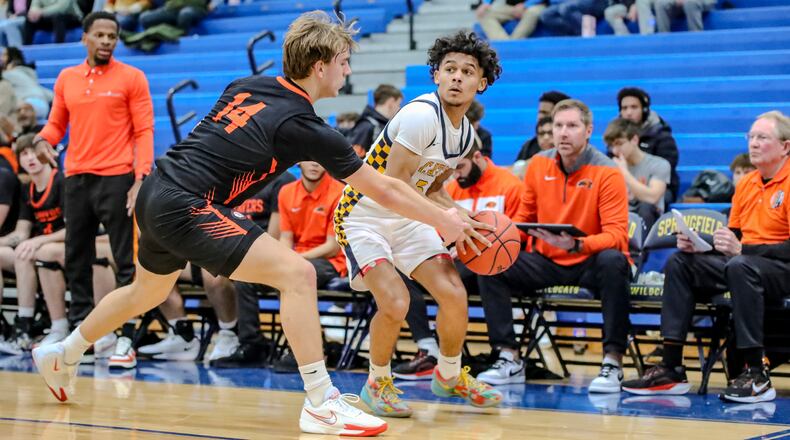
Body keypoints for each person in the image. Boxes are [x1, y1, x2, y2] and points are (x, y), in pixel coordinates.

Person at [32, 11, 474, 437]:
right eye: (343, 62)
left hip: (156, 190)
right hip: (187, 203)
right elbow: (387, 190)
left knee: (147, 292)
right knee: (297, 273)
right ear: (320, 68)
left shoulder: (247, 84)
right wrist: (444, 220)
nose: (347, 71)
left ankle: (63, 352)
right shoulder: (305, 126)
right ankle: (321, 402)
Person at [334, 30, 504, 418]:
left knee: (454, 294)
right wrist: (444, 221)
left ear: (482, 82)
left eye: (468, 71)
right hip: (366, 216)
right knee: (396, 301)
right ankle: (377, 384)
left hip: (408, 216)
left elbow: (434, 187)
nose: (458, 77)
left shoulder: (466, 136)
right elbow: (392, 187)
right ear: (436, 76)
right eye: (450, 69)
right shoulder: (419, 115)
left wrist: (462, 216)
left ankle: (448, 375)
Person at [623, 111, 790, 403]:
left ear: (785, 146)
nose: (753, 143)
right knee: (681, 262)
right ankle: (672, 367)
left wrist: (742, 250)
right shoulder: (748, 183)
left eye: (762, 138)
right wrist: (701, 244)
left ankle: (756, 374)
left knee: (740, 264)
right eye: (750, 137)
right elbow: (735, 237)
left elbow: (751, 249)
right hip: (746, 264)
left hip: (781, 268)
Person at [476, 99, 632, 392]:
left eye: (572, 126)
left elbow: (617, 235)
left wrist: (577, 244)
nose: (563, 133)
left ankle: (613, 362)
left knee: (614, 261)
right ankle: (508, 357)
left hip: (589, 260)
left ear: (588, 131)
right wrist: (503, 238)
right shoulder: (538, 164)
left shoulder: (607, 171)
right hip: (546, 260)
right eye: (558, 126)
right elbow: (525, 216)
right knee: (492, 262)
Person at [33, 12, 154, 364]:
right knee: (76, 260)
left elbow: (144, 131)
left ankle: (126, 338)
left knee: (125, 262)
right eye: (99, 35)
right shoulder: (67, 77)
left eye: (112, 36)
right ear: (85, 37)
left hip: (117, 179)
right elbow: (56, 125)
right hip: (76, 179)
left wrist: (140, 178)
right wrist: (43, 140)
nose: (106, 41)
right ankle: (78, 338)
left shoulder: (132, 77)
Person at [393, 142, 526, 380]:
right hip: (458, 262)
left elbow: (518, 236)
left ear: (477, 157)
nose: (456, 174)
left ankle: (506, 354)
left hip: (494, 263)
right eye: (452, 169)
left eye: (461, 167)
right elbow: (437, 229)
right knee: (404, 272)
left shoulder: (510, 185)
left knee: (491, 270)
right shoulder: (452, 189)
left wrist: (480, 248)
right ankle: (429, 349)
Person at [0, 134, 115, 354]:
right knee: (23, 253)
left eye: (34, 152)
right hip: (49, 249)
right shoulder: (29, 190)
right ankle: (26, 327)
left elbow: (76, 229)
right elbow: (21, 233)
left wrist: (40, 239)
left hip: (82, 243)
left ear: (47, 154)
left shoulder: (63, 182)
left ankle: (85, 327)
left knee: (41, 250)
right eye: (24, 154)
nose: (31, 158)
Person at [605, 117, 670, 230]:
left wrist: (624, 173)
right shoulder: (608, 166)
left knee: (646, 206)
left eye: (619, 144)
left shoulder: (659, 164)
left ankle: (643, 247)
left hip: (649, 221)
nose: (615, 150)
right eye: (611, 146)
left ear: (634, 140)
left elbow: (652, 197)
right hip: (620, 219)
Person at [617, 87, 679, 203]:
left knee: (647, 204)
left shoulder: (661, 135)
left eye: (634, 107)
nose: (629, 113)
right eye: (624, 108)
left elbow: (665, 169)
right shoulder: (616, 136)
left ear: (644, 110)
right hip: (625, 187)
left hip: (658, 188)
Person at [513, 90, 570, 178]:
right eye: (539, 112)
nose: (540, 117)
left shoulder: (572, 146)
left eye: (545, 113)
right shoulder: (529, 145)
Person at [346, 84, 402, 157]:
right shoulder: (366, 125)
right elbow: (353, 159)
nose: (399, 108)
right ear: (391, 102)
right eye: (398, 104)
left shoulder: (384, 125)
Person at [2, 47, 53, 119]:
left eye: (4, 55)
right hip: (43, 107)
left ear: (12, 60)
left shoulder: (9, 74)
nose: (1, 58)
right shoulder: (30, 75)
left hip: (26, 104)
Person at [476, 0, 548, 41]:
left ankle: (513, 42)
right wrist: (486, 3)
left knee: (532, 12)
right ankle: (504, 43)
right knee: (484, 13)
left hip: (535, 5)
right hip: (512, 7)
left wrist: (526, 5)